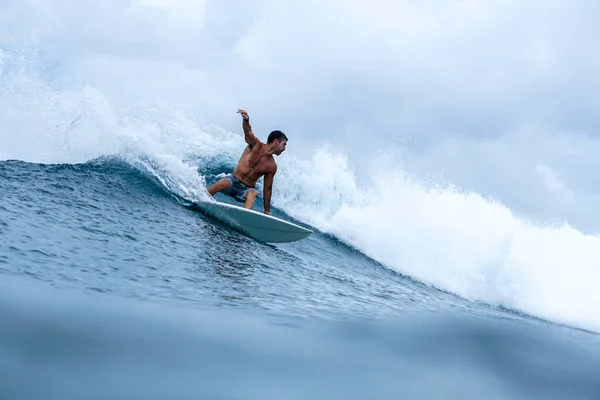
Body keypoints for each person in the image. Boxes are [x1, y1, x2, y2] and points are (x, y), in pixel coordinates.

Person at [207, 109, 288, 215]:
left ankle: (243, 217)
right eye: (284, 144)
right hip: (233, 181)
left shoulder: (272, 166)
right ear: (276, 142)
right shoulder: (255, 145)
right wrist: (246, 120)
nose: (284, 149)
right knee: (222, 183)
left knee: (252, 194)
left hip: (245, 190)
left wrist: (267, 211)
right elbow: (248, 132)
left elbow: (267, 189)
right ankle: (200, 198)